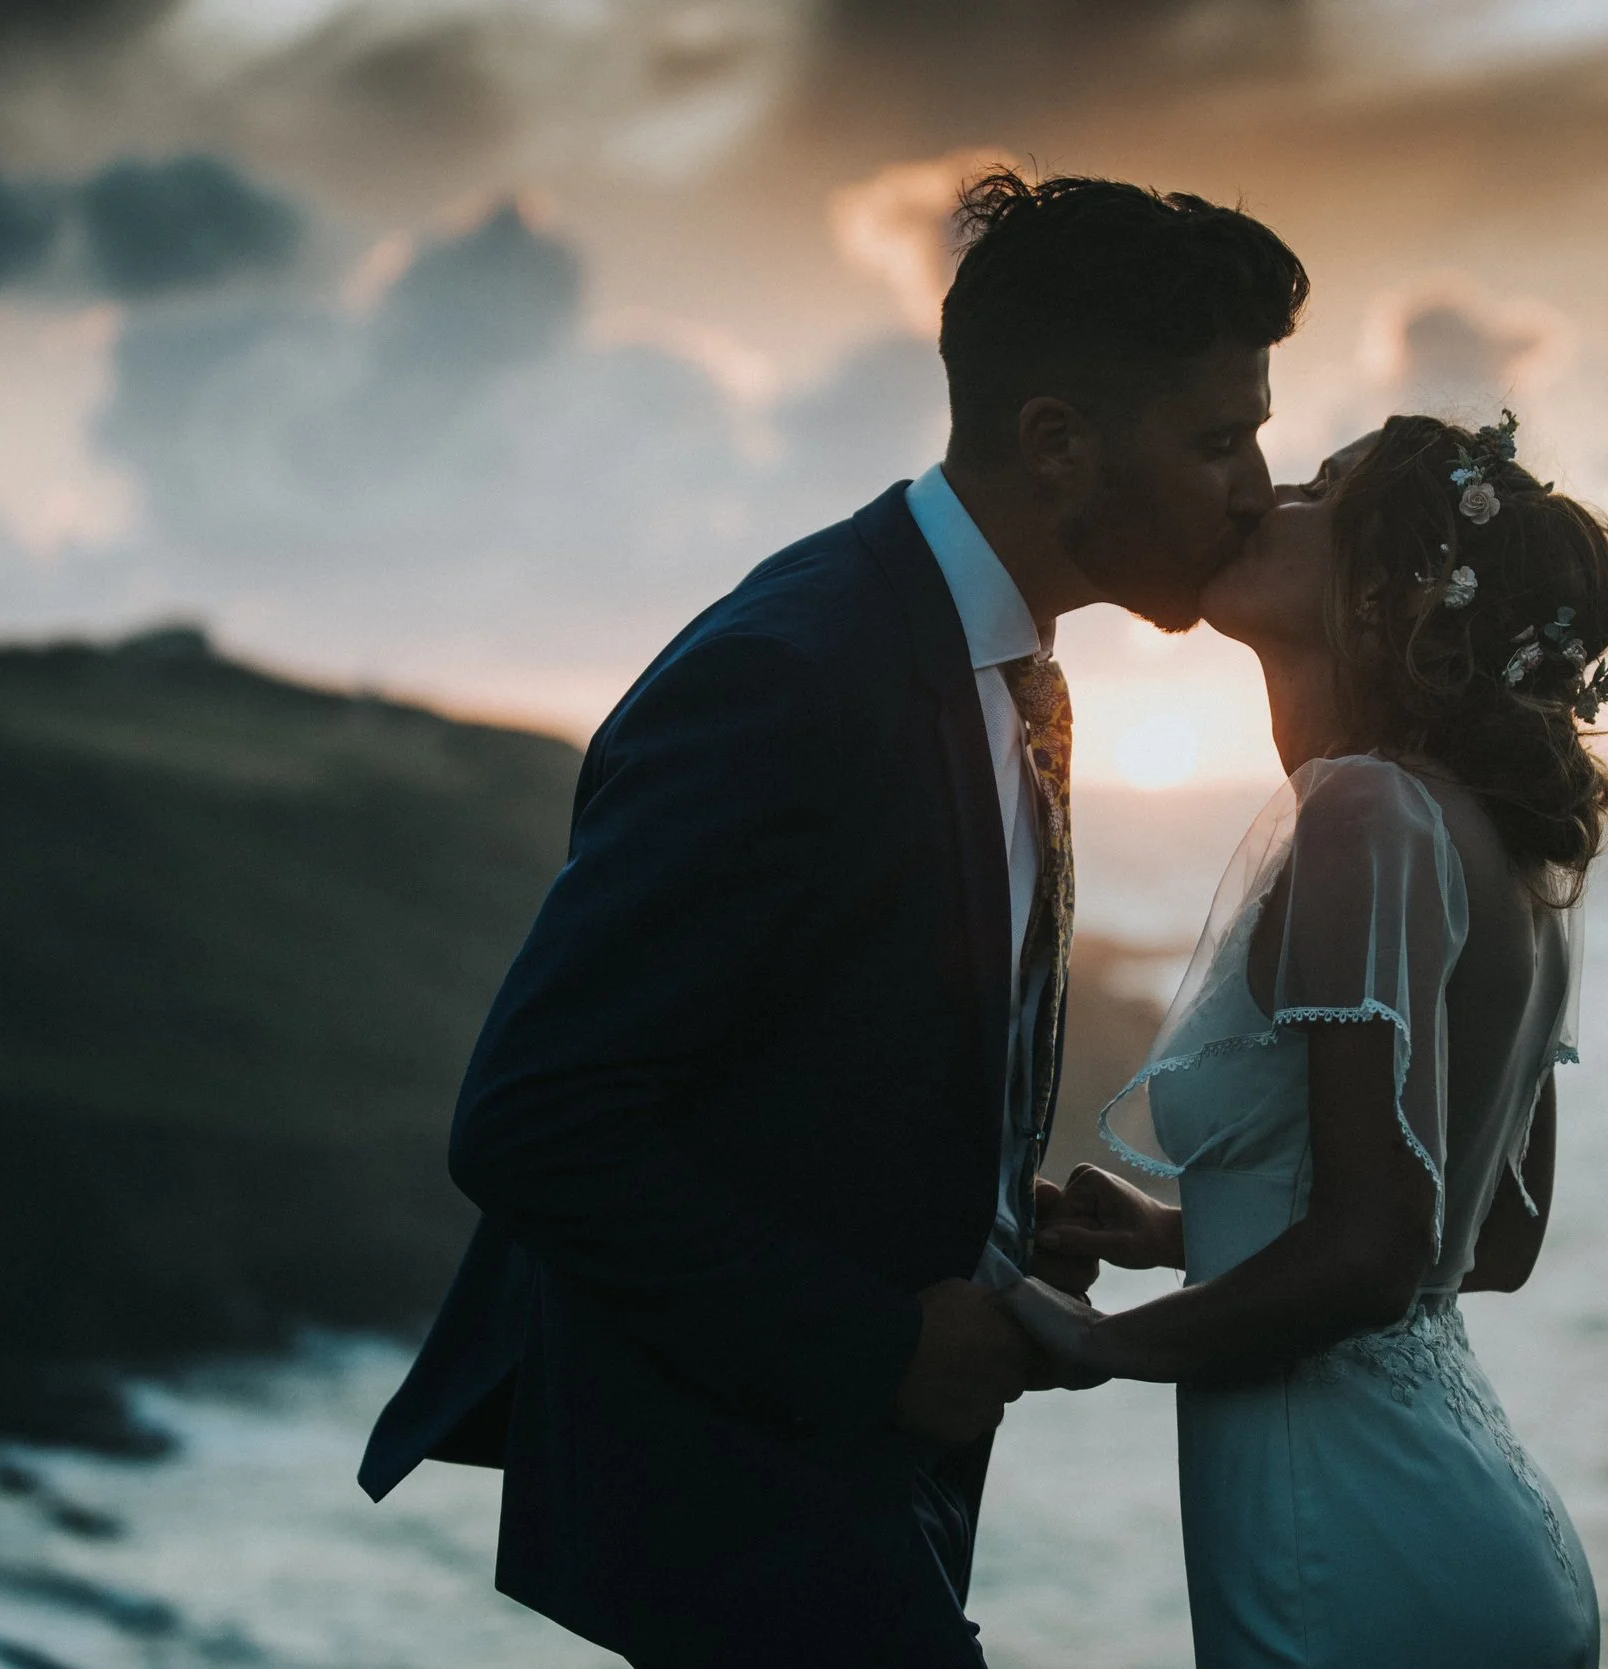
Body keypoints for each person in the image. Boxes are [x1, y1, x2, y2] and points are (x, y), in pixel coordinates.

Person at [349, 169, 1306, 1668]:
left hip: (864, 1484)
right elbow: (534, 1119)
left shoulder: (1004, 665)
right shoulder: (795, 674)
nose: (1256, 483)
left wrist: (992, 1240)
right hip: (746, 1492)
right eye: (1219, 438)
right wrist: (883, 1345)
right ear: (1056, 439)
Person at [1017, 412, 1608, 1669]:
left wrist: (1088, 1339)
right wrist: (1184, 1231)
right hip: (1476, 1530)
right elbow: (1487, 1239)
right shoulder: (1509, 852)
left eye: (1318, 491)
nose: (1269, 494)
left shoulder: (1364, 811)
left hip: (1345, 1537)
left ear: (1385, 592)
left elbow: (1377, 1249)